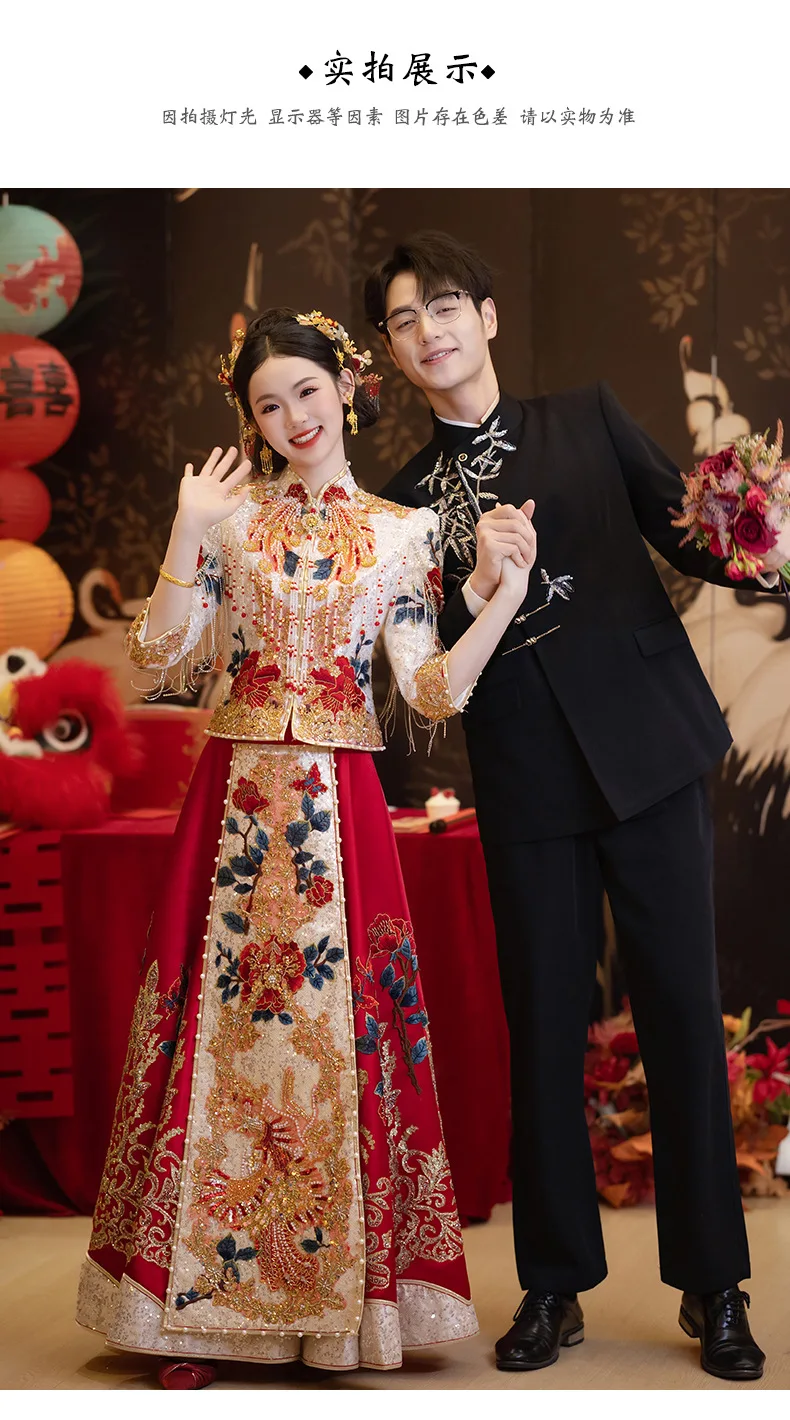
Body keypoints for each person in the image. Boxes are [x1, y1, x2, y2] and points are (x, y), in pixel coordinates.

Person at [75, 306, 537, 1388]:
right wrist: (185, 532)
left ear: (347, 388)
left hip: (342, 810)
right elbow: (161, 666)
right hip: (232, 805)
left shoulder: (402, 533)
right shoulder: (228, 521)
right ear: (252, 419)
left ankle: (338, 1315)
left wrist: (502, 600)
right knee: (210, 1041)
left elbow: (429, 690)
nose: (292, 417)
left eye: (307, 391)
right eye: (268, 404)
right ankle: (191, 1320)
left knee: (347, 1042)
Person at [364, 231, 782, 1381]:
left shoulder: (586, 417)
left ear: (487, 316)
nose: (429, 330)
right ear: (392, 351)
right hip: (524, 777)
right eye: (404, 319)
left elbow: (691, 536)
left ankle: (714, 1283)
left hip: (648, 750)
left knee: (682, 1017)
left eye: (445, 305)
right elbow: (428, 674)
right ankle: (553, 1285)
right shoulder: (399, 510)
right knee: (543, 1029)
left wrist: (763, 541)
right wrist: (473, 585)